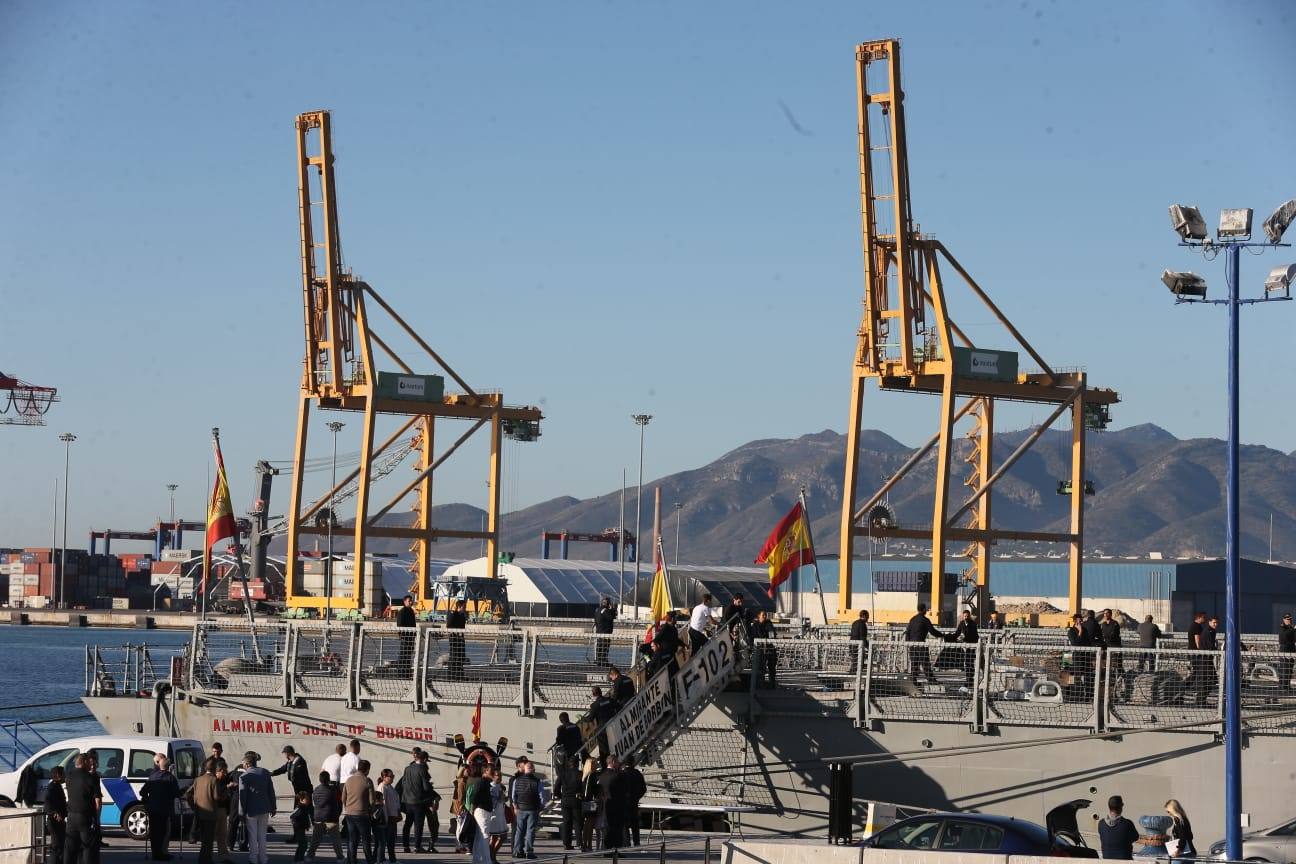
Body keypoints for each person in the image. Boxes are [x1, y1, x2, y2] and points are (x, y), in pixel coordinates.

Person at [141, 752, 181, 861]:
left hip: (152, 808)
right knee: (162, 832)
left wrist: (147, 799)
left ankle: (155, 853)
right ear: (168, 767)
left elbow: (142, 791)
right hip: (164, 809)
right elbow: (176, 793)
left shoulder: (153, 776)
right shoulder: (171, 778)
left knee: (154, 832)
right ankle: (160, 854)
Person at [239, 751, 276, 864]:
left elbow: (242, 797)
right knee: (262, 835)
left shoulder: (244, 776)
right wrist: (273, 807)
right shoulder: (265, 772)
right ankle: (263, 859)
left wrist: (241, 813)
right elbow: (271, 791)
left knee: (252, 835)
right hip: (265, 808)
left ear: (247, 764)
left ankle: (253, 859)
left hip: (251, 810)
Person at [187, 758, 225, 864]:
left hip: (200, 813)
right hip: (210, 813)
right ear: (213, 769)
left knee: (204, 838)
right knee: (208, 840)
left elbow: (188, 794)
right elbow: (216, 797)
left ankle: (203, 859)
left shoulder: (198, 779)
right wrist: (224, 796)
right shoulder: (213, 780)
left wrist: (194, 806)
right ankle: (206, 859)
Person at [274, 746, 314, 845]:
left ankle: (301, 836)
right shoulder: (290, 762)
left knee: (299, 815)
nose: (284, 755)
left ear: (288, 753)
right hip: (299, 792)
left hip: (303, 793)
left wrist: (301, 796)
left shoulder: (300, 762)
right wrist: (272, 773)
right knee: (306, 813)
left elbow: (300, 776)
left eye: (284, 753)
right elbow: (282, 769)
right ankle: (302, 835)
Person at [398, 748, 436, 854]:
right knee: (418, 825)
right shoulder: (422, 769)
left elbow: (404, 783)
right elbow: (425, 787)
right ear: (423, 759)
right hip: (418, 801)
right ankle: (417, 847)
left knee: (407, 824)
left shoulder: (407, 768)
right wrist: (430, 786)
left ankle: (406, 846)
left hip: (407, 800)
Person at [64, 754, 100, 864]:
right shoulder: (90, 778)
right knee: (87, 847)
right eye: (89, 762)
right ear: (84, 762)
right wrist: (96, 818)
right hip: (85, 817)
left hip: (71, 816)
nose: (91, 765)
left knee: (70, 847)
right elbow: (97, 801)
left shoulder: (69, 776)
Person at [509, 758, 545, 860]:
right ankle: (529, 852)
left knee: (519, 831)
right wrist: (541, 807)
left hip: (520, 808)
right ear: (533, 769)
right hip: (533, 809)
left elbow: (513, 795)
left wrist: (515, 806)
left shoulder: (517, 780)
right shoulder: (538, 781)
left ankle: (517, 851)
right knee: (530, 831)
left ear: (524, 769)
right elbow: (542, 797)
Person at [341, 759, 375, 864]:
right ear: (367, 770)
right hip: (362, 814)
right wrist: (370, 810)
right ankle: (369, 860)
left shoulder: (349, 780)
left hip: (350, 814)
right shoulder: (367, 781)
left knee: (352, 839)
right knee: (365, 840)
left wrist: (347, 807)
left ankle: (352, 860)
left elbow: (343, 797)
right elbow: (372, 800)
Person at [307, 770, 345, 864]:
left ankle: (309, 856)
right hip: (331, 818)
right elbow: (338, 800)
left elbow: (316, 802)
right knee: (336, 840)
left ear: (320, 780)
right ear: (328, 779)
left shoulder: (316, 789)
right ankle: (340, 858)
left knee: (315, 839)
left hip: (318, 817)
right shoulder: (332, 790)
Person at [905, 603, 942, 686]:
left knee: (914, 663)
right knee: (925, 663)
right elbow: (933, 631)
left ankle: (913, 681)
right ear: (924, 609)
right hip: (921, 644)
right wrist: (942, 635)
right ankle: (931, 680)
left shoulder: (912, 619)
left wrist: (908, 643)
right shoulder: (925, 620)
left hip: (912, 644)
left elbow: (908, 632)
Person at [597, 755, 628, 851]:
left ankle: (607, 849)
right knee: (617, 829)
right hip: (617, 806)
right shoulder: (618, 776)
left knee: (607, 829)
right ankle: (616, 850)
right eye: (617, 762)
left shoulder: (602, 776)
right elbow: (624, 790)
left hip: (606, 805)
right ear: (613, 762)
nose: (619, 763)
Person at [465, 763, 494, 864]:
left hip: (481, 810)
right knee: (485, 835)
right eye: (492, 771)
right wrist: (474, 808)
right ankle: (486, 860)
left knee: (479, 836)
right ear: (485, 771)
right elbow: (475, 796)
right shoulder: (481, 781)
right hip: (482, 810)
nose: (494, 773)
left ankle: (476, 859)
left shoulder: (480, 781)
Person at [553, 755, 583, 851]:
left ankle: (566, 843)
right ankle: (579, 843)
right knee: (577, 822)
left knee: (567, 823)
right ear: (577, 764)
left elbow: (556, 788)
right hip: (576, 799)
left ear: (569, 763)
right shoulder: (580, 774)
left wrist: (560, 796)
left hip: (565, 799)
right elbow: (583, 788)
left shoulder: (563, 773)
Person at [1097, 795, 1139, 860]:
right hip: (1125, 860)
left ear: (1109, 807)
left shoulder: (1101, 823)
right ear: (1121, 806)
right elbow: (1135, 837)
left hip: (1107, 860)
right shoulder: (1127, 823)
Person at [620, 757, 646, 847]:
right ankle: (637, 842)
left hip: (624, 802)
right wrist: (637, 797)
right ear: (633, 763)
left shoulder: (622, 774)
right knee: (635, 824)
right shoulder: (638, 774)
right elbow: (643, 789)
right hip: (634, 801)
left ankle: (626, 842)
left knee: (625, 824)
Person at [376, 769, 401, 863]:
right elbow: (383, 805)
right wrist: (385, 819)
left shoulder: (390, 787)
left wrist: (398, 812)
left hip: (393, 817)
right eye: (390, 776)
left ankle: (391, 859)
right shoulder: (382, 787)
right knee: (386, 841)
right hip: (388, 818)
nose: (392, 778)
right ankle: (382, 859)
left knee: (391, 840)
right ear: (384, 777)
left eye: (393, 776)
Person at [213, 762, 236, 861]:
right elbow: (217, 793)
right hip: (213, 810)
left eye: (226, 771)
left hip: (222, 810)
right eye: (224, 771)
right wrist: (227, 787)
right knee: (211, 835)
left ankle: (223, 856)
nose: (225, 773)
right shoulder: (213, 780)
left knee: (222, 835)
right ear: (218, 771)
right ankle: (207, 856)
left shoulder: (224, 779)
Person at [45, 765, 67, 864]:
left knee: (61, 845)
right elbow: (48, 803)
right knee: (56, 846)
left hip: (59, 821)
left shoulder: (57, 785)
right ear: (58, 775)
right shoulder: (52, 787)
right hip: (54, 822)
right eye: (63, 774)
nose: (65, 776)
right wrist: (54, 813)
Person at [485, 765, 508, 863]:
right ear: (493, 776)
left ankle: (493, 855)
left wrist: (504, 798)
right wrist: (500, 798)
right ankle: (492, 857)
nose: (499, 777)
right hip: (493, 816)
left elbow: (502, 800)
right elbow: (491, 802)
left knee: (503, 836)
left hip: (500, 815)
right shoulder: (490, 787)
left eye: (500, 776)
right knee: (494, 837)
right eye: (497, 775)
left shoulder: (501, 786)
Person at [578, 757, 601, 852]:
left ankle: (587, 844)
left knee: (588, 825)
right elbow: (588, 792)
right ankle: (588, 845)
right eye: (595, 763)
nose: (597, 764)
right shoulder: (591, 776)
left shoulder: (585, 776)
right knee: (589, 825)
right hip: (590, 803)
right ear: (591, 765)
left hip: (586, 802)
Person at [952, 609, 978, 688]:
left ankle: (970, 680)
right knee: (966, 663)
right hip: (964, 646)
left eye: (967, 616)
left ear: (969, 616)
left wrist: (964, 637)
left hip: (971, 645)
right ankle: (968, 680)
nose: (966, 617)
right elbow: (957, 632)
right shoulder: (962, 623)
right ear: (963, 616)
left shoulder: (973, 624)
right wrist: (954, 638)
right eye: (965, 616)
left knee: (970, 663)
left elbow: (973, 634)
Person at [752, 610, 777, 688]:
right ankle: (760, 684)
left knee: (772, 667)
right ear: (758, 616)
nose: (764, 616)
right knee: (760, 667)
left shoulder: (769, 624)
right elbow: (754, 636)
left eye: (765, 615)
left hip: (769, 648)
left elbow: (772, 633)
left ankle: (772, 683)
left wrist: (770, 637)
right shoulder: (755, 625)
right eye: (763, 615)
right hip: (760, 649)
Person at [290, 791, 314, 863]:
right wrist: (297, 824)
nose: (308, 800)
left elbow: (306, 818)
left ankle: (298, 859)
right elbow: (292, 816)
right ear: (301, 800)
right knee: (303, 844)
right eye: (306, 799)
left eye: (309, 799)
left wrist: (307, 825)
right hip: (298, 829)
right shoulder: (300, 808)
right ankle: (299, 859)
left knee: (303, 845)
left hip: (302, 828)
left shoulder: (304, 808)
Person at [447, 600, 469, 679]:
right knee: (454, 656)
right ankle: (451, 676)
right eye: (464, 606)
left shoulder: (462, 616)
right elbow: (449, 625)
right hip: (454, 639)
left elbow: (462, 627)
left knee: (461, 656)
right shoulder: (453, 615)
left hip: (461, 639)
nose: (465, 608)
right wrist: (456, 632)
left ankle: (460, 675)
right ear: (459, 607)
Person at [397, 595, 418, 673]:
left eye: (411, 601)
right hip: (405, 638)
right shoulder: (402, 612)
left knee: (408, 655)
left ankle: (406, 672)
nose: (411, 602)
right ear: (404, 601)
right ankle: (401, 673)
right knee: (403, 655)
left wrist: (414, 634)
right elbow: (399, 625)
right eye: (409, 601)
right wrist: (402, 636)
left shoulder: (411, 611)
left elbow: (413, 623)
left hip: (411, 637)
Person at [593, 597, 617, 667]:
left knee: (599, 646)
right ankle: (603, 661)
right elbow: (611, 617)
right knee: (605, 647)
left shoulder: (597, 610)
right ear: (608, 603)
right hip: (605, 632)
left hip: (599, 631)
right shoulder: (605, 610)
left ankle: (598, 660)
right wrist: (612, 609)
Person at [1279, 613, 1295, 693]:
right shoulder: (1283, 627)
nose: (1289, 621)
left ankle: (1287, 686)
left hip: (1291, 649)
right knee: (1284, 669)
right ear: (1284, 620)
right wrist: (1293, 630)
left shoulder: (1290, 628)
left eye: (1290, 619)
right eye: (1288, 619)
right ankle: (1283, 687)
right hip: (1285, 650)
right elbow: (1284, 636)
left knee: (1289, 669)